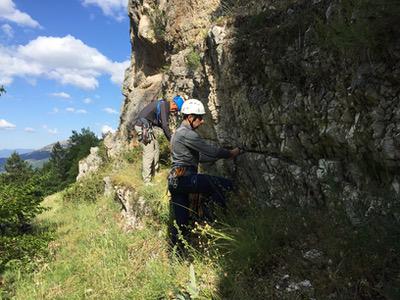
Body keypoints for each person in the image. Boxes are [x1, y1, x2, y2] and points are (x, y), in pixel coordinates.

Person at [168, 98, 241, 246]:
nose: (202, 122)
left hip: (175, 181)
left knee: (181, 222)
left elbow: (198, 157)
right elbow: (209, 150)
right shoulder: (187, 134)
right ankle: (208, 221)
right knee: (225, 185)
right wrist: (231, 153)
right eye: (199, 118)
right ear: (190, 117)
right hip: (186, 179)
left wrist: (213, 159)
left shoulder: (177, 134)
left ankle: (178, 253)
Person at [134, 96, 185, 184]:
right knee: (149, 153)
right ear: (174, 104)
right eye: (176, 109)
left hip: (147, 127)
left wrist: (171, 137)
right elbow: (164, 125)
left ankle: (155, 172)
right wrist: (171, 140)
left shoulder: (164, 106)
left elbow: (161, 124)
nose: (175, 111)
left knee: (156, 148)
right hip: (143, 127)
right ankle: (147, 180)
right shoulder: (164, 106)